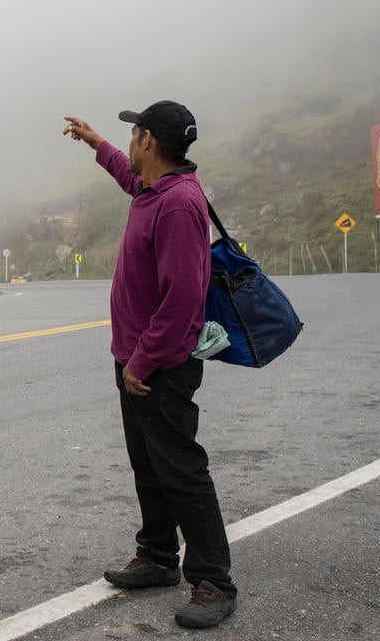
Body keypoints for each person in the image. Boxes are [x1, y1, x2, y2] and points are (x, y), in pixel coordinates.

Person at [62, 101, 238, 630]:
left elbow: (184, 297)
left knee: (181, 469)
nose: (130, 141)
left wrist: (141, 361)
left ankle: (213, 580)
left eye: (132, 133)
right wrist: (96, 143)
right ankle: (160, 556)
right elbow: (125, 174)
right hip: (136, 360)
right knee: (149, 465)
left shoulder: (180, 203)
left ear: (149, 142)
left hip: (158, 364)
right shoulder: (152, 189)